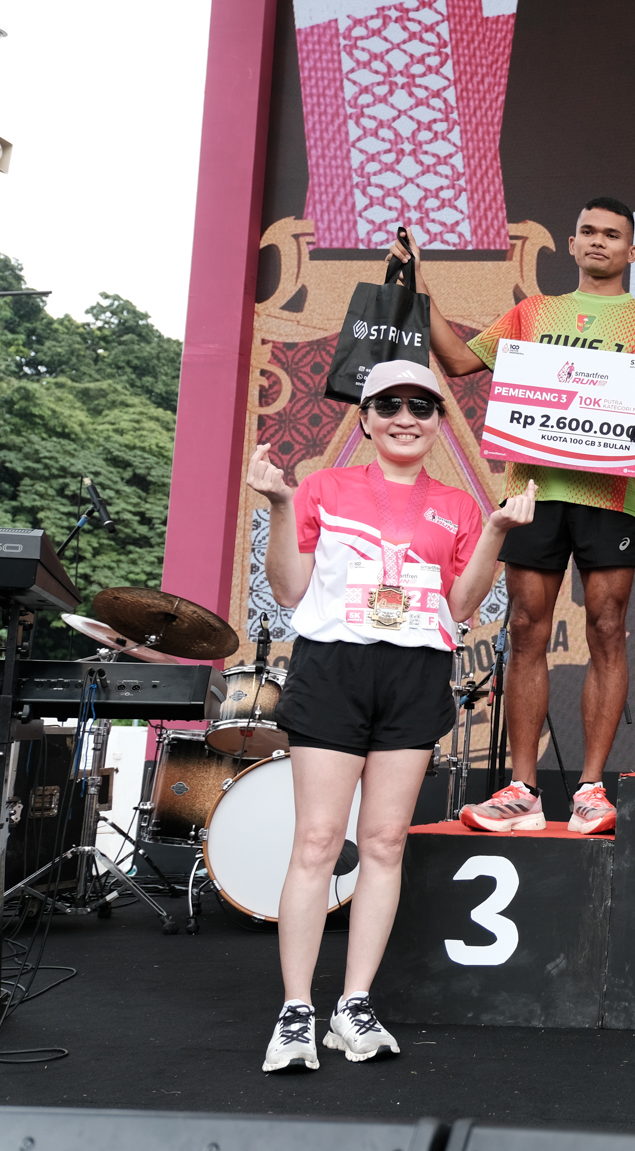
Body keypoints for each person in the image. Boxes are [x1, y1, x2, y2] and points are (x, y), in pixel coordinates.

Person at [252, 359, 536, 1071]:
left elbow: (463, 606)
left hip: (414, 674)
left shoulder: (459, 506)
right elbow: (287, 589)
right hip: (334, 669)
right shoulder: (322, 488)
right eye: (389, 405)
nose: (405, 418)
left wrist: (496, 530)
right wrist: (281, 505)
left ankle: (354, 1005)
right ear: (366, 418)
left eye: (421, 406)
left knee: (382, 843)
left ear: (439, 421)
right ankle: (295, 1011)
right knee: (318, 841)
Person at [392, 199, 635, 834]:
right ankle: (523, 790)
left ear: (633, 252)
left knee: (607, 629)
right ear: (571, 245)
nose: (599, 241)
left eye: (612, 235)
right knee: (527, 629)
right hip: (531, 493)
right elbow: (459, 360)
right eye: (588, 232)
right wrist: (419, 286)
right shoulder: (533, 312)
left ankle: (590, 790)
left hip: (611, 497)